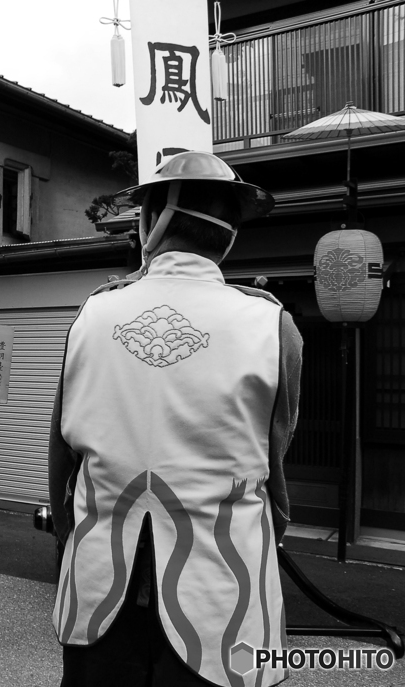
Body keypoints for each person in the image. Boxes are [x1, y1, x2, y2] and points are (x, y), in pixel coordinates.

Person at [48, 151, 303, 687]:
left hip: (101, 581)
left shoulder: (92, 313)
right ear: (230, 235)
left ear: (150, 223)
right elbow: (273, 458)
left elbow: (61, 461)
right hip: (223, 586)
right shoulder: (271, 325)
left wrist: (73, 536)